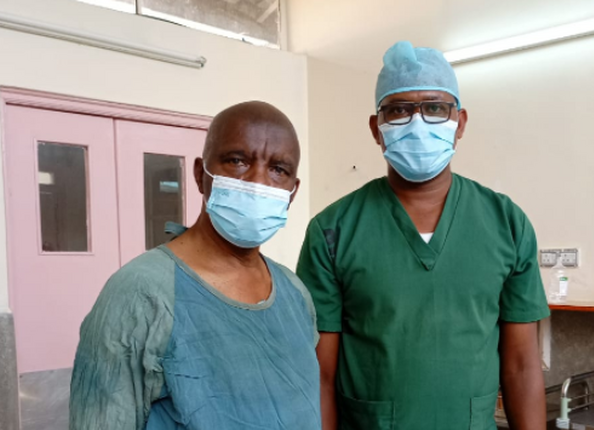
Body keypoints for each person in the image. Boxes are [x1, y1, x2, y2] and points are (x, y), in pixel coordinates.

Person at [297, 41, 550, 430]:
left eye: (435, 108)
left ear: (460, 122)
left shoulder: (506, 224)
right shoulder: (333, 231)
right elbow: (320, 376)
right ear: (376, 128)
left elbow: (521, 365)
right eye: (398, 110)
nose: (417, 122)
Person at [70, 101, 321, 430]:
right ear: (201, 175)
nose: (258, 181)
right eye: (237, 161)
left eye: (278, 169)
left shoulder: (294, 294)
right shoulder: (140, 294)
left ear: (292, 192)